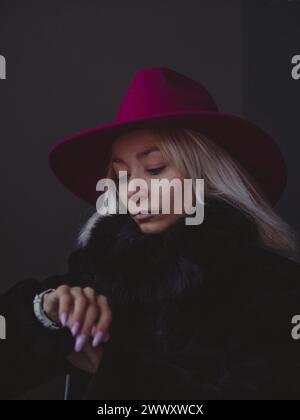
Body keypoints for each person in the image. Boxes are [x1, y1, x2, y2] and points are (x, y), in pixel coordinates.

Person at [1, 67, 300, 400]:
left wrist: (119, 374)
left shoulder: (275, 285)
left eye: (155, 169)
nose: (133, 191)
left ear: (206, 172)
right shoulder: (102, 272)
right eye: (122, 176)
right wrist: (44, 313)